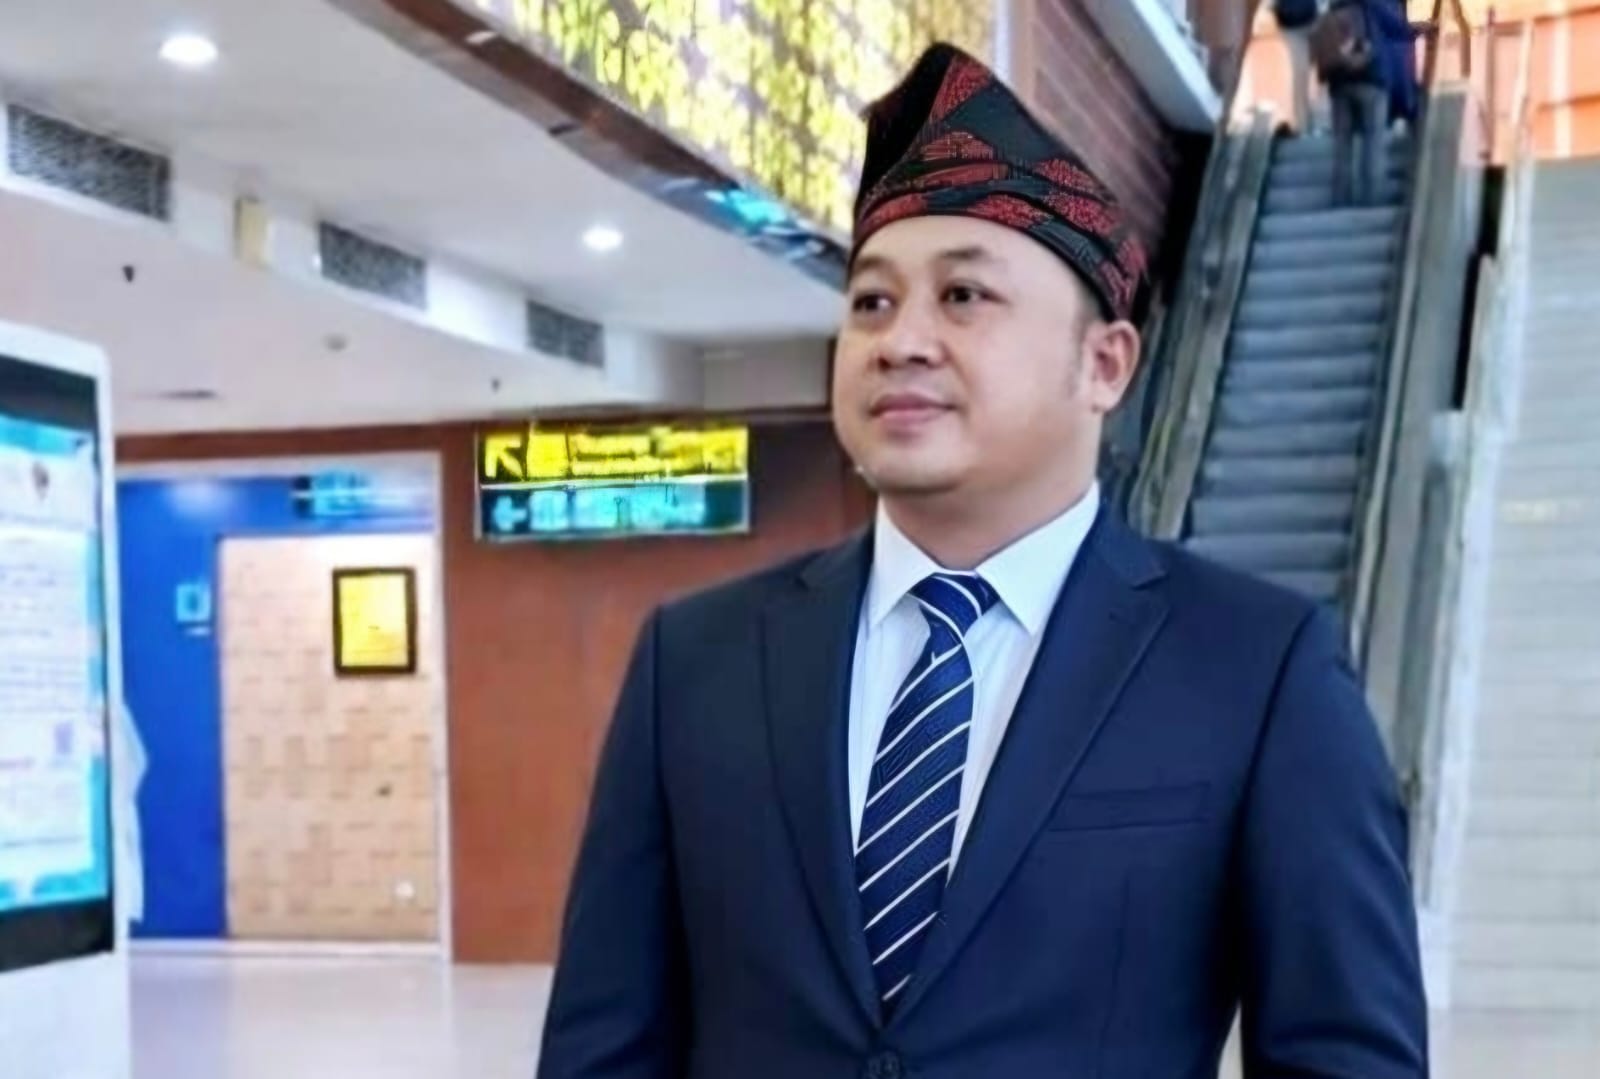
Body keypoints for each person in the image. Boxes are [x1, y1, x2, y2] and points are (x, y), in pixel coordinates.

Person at [538, 43, 1429, 1079]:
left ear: (1104, 364)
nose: (900, 340)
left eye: (962, 296)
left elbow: (1346, 1058)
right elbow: (604, 1047)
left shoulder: (1257, 669)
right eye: (871, 302)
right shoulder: (696, 659)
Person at [1315, 0, 1392, 204]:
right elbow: (1399, 28)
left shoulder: (1331, 11)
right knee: (1373, 142)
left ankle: (1340, 199)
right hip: (1371, 80)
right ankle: (1372, 198)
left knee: (1342, 145)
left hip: (1339, 83)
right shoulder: (1371, 8)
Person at [1274, 0, 1325, 134]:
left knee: (1300, 73)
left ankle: (1303, 124)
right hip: (1314, 17)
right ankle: (1321, 120)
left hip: (1290, 20)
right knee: (1324, 68)